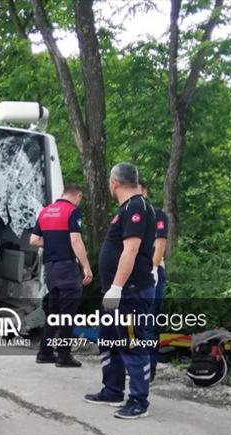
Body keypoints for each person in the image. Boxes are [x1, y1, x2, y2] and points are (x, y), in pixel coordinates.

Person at [83, 162, 157, 419]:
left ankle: (139, 400)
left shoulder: (137, 207)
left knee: (131, 343)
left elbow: (131, 250)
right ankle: (112, 389)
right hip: (115, 292)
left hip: (129, 292)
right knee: (109, 339)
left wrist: (117, 287)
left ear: (114, 182)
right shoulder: (127, 208)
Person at [30, 184, 93, 367]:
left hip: (50, 268)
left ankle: (45, 352)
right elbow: (75, 239)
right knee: (67, 313)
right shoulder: (72, 211)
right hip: (67, 267)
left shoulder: (46, 211)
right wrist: (86, 266)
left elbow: (33, 240)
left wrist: (51, 243)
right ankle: (64, 355)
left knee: (54, 311)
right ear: (78, 195)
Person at [141, 184, 168, 382]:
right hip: (131, 276)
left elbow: (159, 246)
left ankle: (149, 369)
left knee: (149, 324)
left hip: (152, 273)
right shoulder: (126, 214)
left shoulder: (157, 215)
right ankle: (136, 366)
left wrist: (152, 269)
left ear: (145, 191)